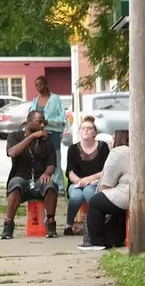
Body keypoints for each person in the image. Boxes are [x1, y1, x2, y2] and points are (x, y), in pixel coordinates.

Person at [2, 110, 59, 239]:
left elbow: (52, 164)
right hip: (21, 179)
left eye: (44, 123)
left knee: (50, 185)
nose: (42, 126)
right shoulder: (15, 136)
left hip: (39, 180)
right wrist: (32, 137)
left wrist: (47, 173)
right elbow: (12, 153)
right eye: (39, 122)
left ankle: (50, 223)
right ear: (28, 122)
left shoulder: (47, 142)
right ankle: (8, 224)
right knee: (16, 183)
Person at [78, 130, 130, 251]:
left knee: (95, 202)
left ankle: (95, 241)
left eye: (113, 138)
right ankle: (114, 238)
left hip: (127, 194)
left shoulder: (118, 152)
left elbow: (107, 183)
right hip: (137, 192)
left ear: (118, 139)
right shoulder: (134, 150)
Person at [65, 116, 110, 235]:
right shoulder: (73, 149)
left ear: (94, 132)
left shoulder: (103, 147)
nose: (86, 130)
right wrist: (79, 181)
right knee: (76, 196)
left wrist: (89, 179)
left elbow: (106, 170)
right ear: (79, 131)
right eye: (83, 128)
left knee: (89, 192)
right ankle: (69, 224)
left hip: (96, 182)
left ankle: (96, 223)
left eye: (89, 128)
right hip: (77, 183)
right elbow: (70, 172)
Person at [30, 76, 66, 190]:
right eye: (36, 85)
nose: (38, 87)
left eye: (40, 84)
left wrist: (49, 122)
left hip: (53, 133)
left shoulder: (55, 99)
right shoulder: (35, 101)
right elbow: (30, 116)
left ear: (46, 84)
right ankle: (41, 184)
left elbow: (62, 118)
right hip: (39, 135)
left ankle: (58, 187)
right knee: (39, 159)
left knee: (55, 159)